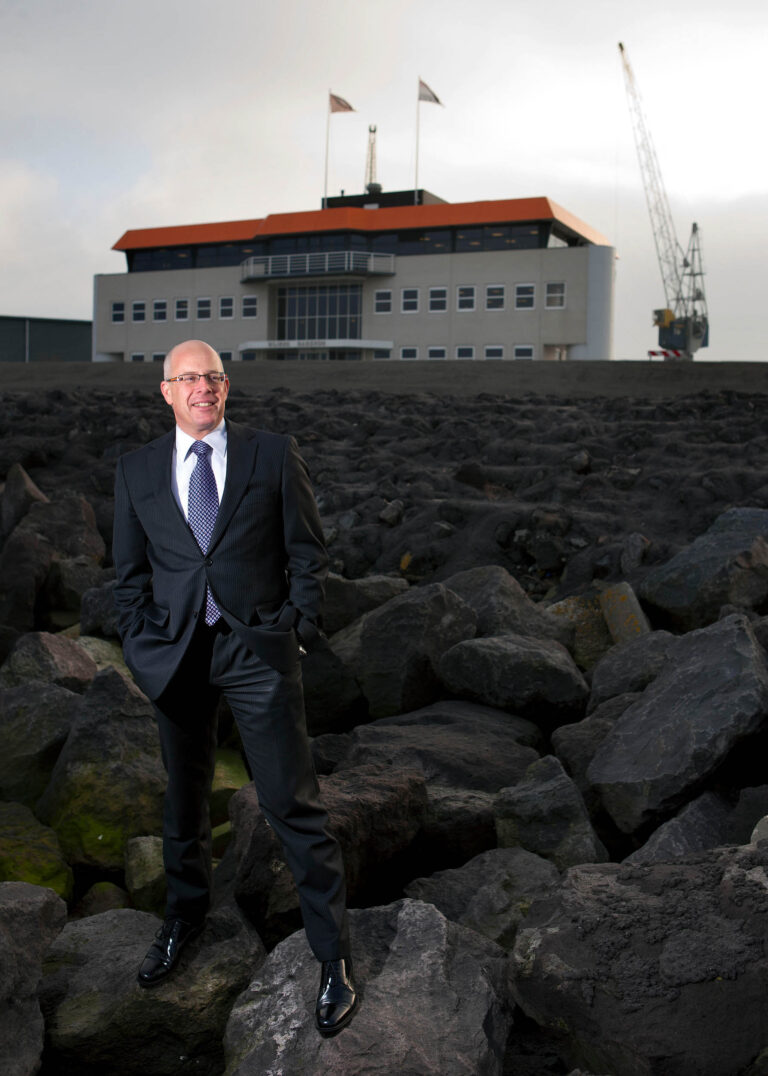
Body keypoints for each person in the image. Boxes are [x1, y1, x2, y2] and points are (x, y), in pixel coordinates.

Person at [112, 339, 356, 1037]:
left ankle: (333, 959)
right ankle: (184, 920)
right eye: (188, 379)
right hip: (175, 656)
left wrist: (298, 625)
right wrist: (138, 640)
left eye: (213, 377)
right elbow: (128, 573)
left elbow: (308, 550)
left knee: (294, 806)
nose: (202, 389)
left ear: (227, 386)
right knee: (184, 804)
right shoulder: (134, 471)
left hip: (257, 652)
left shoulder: (273, 453)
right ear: (166, 391)